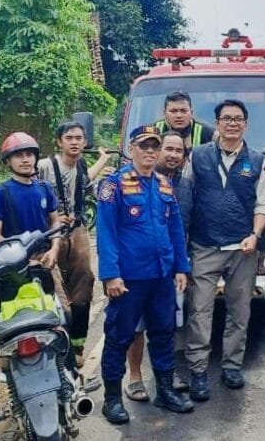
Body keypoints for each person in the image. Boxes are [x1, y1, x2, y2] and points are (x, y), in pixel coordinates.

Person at [97, 125, 193, 424]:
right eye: (144, 146)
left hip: (162, 277)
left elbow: (175, 229)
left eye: (155, 146)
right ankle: (111, 399)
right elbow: (106, 233)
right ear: (131, 149)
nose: (150, 151)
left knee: (164, 333)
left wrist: (181, 267)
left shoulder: (164, 185)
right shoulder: (113, 186)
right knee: (119, 336)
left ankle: (165, 391)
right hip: (128, 280)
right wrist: (111, 275)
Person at [183, 99, 265, 401]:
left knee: (240, 311)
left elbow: (263, 204)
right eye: (226, 118)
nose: (232, 123)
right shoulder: (197, 156)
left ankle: (232, 366)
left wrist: (255, 235)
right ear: (217, 123)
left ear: (245, 124)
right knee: (199, 310)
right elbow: (186, 197)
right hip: (204, 246)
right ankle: (197, 371)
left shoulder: (256, 161)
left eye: (237, 119)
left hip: (242, 249)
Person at [124, 130, 194, 402]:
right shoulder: (125, 181)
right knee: (136, 326)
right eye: (168, 148)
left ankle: (165, 377)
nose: (172, 154)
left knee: (168, 324)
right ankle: (135, 376)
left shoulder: (183, 184)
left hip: (169, 267)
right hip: (136, 269)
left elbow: (181, 227)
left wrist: (181, 265)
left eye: (179, 151)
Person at [37, 121, 113, 367]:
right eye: (69, 137)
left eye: (79, 138)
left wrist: (103, 162)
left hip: (77, 230)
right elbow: (30, 195)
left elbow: (87, 183)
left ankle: (78, 349)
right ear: (59, 141)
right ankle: (56, 347)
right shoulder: (44, 167)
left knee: (84, 283)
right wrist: (51, 218)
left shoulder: (80, 165)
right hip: (49, 234)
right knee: (53, 287)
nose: (74, 142)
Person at [0, 132, 63, 304]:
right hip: (13, 266)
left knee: (61, 312)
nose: (25, 160)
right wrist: (22, 260)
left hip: (44, 259)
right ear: (7, 161)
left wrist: (54, 250)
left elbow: (55, 222)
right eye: (18, 156)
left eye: (29, 154)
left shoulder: (44, 188)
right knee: (18, 313)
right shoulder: (0, 193)